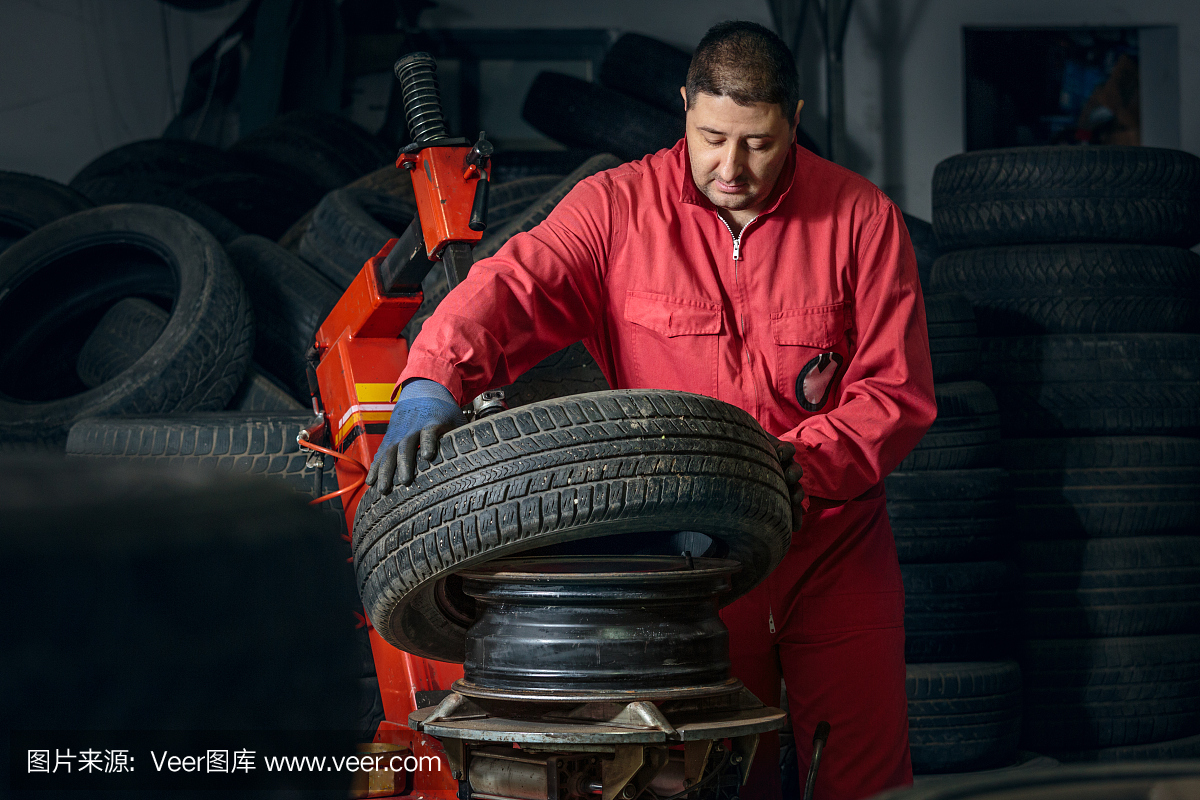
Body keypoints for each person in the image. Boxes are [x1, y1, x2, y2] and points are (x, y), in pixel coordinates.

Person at [366, 20, 935, 799]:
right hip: (693, 564)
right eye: (711, 137)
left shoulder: (861, 220)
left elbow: (892, 392)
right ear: (683, 108)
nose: (731, 166)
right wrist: (432, 376)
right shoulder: (614, 210)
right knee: (715, 772)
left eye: (759, 144)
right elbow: (515, 286)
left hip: (833, 547)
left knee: (861, 773)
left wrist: (791, 467)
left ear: (795, 121)